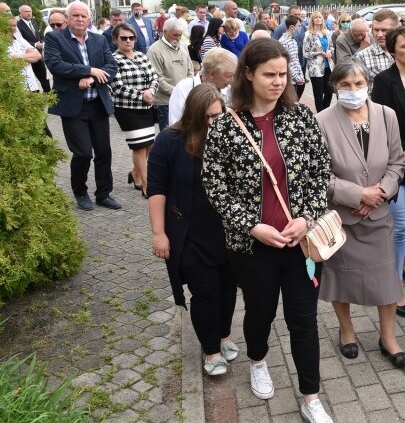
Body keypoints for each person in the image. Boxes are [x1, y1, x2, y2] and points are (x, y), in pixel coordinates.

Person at [201, 38, 333, 423]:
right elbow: (215, 186)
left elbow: (319, 172)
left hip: (299, 242)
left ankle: (310, 396)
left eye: (283, 74)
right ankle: (258, 360)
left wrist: (306, 218)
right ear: (248, 74)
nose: (278, 82)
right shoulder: (226, 127)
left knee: (304, 319)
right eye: (269, 75)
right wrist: (252, 226)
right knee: (259, 312)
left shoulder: (302, 118)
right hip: (251, 245)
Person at [315, 60, 405, 367]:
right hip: (343, 218)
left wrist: (379, 193)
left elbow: (397, 163)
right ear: (335, 87)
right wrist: (357, 194)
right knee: (341, 279)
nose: (353, 90)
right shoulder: (322, 121)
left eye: (358, 84)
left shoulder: (387, 115)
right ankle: (346, 330)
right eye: (345, 85)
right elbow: (318, 174)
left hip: (379, 213)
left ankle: (388, 338)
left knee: (387, 280)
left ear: (368, 83)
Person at [148, 85, 238, 376]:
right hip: (188, 233)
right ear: (194, 115)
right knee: (204, 292)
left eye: (218, 115)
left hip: (225, 232)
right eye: (208, 117)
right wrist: (158, 233)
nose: (214, 122)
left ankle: (224, 336)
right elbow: (157, 190)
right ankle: (210, 350)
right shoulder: (169, 140)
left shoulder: (228, 137)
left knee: (227, 289)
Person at [371, 27, 405, 318]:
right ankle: (393, 283)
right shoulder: (383, 81)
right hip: (396, 163)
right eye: (404, 46)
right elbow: (382, 124)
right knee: (401, 224)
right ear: (391, 51)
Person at [43, 1, 121, 211]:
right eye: (75, 15)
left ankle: (104, 194)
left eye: (83, 16)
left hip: (97, 103)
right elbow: (55, 64)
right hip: (73, 106)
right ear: (67, 19)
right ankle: (80, 191)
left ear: (89, 19)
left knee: (104, 151)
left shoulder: (98, 39)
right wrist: (88, 70)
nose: (79, 19)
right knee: (83, 153)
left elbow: (111, 67)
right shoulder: (54, 38)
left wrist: (92, 79)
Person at [109, 23, 159, 197]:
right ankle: (146, 185)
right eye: (124, 38)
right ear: (116, 39)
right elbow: (116, 86)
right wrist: (141, 95)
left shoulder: (141, 56)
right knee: (139, 146)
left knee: (149, 146)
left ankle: (135, 173)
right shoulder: (113, 59)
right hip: (127, 109)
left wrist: (151, 91)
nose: (128, 41)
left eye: (131, 37)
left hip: (147, 107)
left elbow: (154, 76)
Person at [168, 47, 237, 125]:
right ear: (212, 74)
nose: (231, 80)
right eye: (228, 76)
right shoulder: (183, 88)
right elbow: (175, 125)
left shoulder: (229, 90)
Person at [148, 17, 194, 130]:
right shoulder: (154, 50)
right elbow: (157, 78)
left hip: (185, 99)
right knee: (170, 134)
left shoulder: (183, 46)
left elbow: (190, 70)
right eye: (175, 35)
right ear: (165, 32)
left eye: (180, 35)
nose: (178, 38)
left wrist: (187, 90)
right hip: (165, 102)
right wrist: (178, 92)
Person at [355, 9, 398, 84]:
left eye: (384, 30)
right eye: (376, 30)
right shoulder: (362, 57)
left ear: (396, 30)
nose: (379, 35)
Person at [304, 11, 334, 112]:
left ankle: (325, 111)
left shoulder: (327, 32)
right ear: (312, 20)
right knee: (318, 93)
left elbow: (331, 47)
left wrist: (330, 51)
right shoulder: (308, 34)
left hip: (327, 65)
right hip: (315, 68)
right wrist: (317, 53)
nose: (318, 19)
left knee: (329, 91)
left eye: (320, 17)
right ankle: (320, 114)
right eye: (315, 18)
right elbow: (305, 53)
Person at [16, 4, 49, 92]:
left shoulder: (34, 23)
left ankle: (49, 96)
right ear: (21, 13)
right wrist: (34, 45)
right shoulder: (18, 25)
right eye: (26, 11)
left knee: (44, 77)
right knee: (30, 81)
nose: (29, 13)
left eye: (30, 11)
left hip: (38, 55)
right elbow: (19, 40)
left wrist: (41, 42)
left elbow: (39, 36)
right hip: (27, 56)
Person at [280, 15, 306, 99]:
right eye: (298, 26)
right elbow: (287, 63)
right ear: (292, 27)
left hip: (296, 78)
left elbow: (295, 60)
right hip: (290, 79)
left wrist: (300, 76)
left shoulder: (293, 40)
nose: (300, 29)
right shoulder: (283, 41)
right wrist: (297, 77)